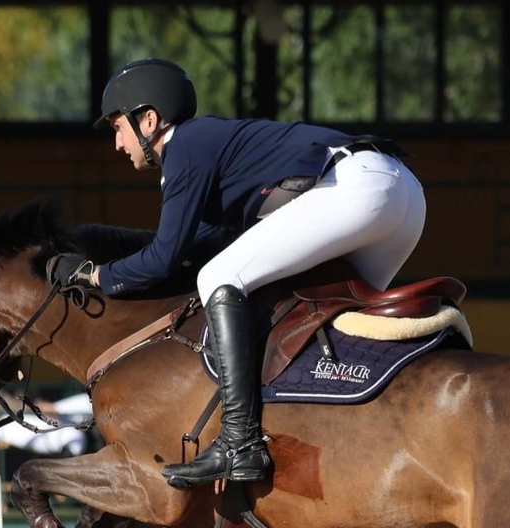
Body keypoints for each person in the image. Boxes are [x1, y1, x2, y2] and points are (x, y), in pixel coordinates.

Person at [51, 59, 426, 488]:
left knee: (218, 279)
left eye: (118, 128)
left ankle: (239, 442)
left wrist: (93, 276)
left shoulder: (185, 146)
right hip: (404, 194)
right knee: (328, 312)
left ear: (149, 120)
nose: (118, 145)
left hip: (356, 189)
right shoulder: (211, 147)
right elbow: (195, 246)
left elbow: (164, 260)